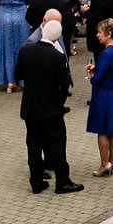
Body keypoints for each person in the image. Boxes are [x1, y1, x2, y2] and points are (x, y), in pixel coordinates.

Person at [18, 19, 81, 193]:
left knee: (33, 145)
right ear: (58, 36)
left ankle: (36, 181)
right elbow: (65, 83)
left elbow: (19, 74)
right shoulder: (57, 57)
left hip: (31, 108)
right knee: (57, 144)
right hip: (51, 110)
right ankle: (62, 181)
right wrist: (58, 103)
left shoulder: (25, 51)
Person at [85, 18, 113, 177]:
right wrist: (98, 69)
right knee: (112, 129)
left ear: (108, 34)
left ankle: (104, 163)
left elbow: (97, 80)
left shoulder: (105, 53)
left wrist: (91, 75)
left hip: (102, 95)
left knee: (102, 130)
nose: (97, 35)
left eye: (100, 32)